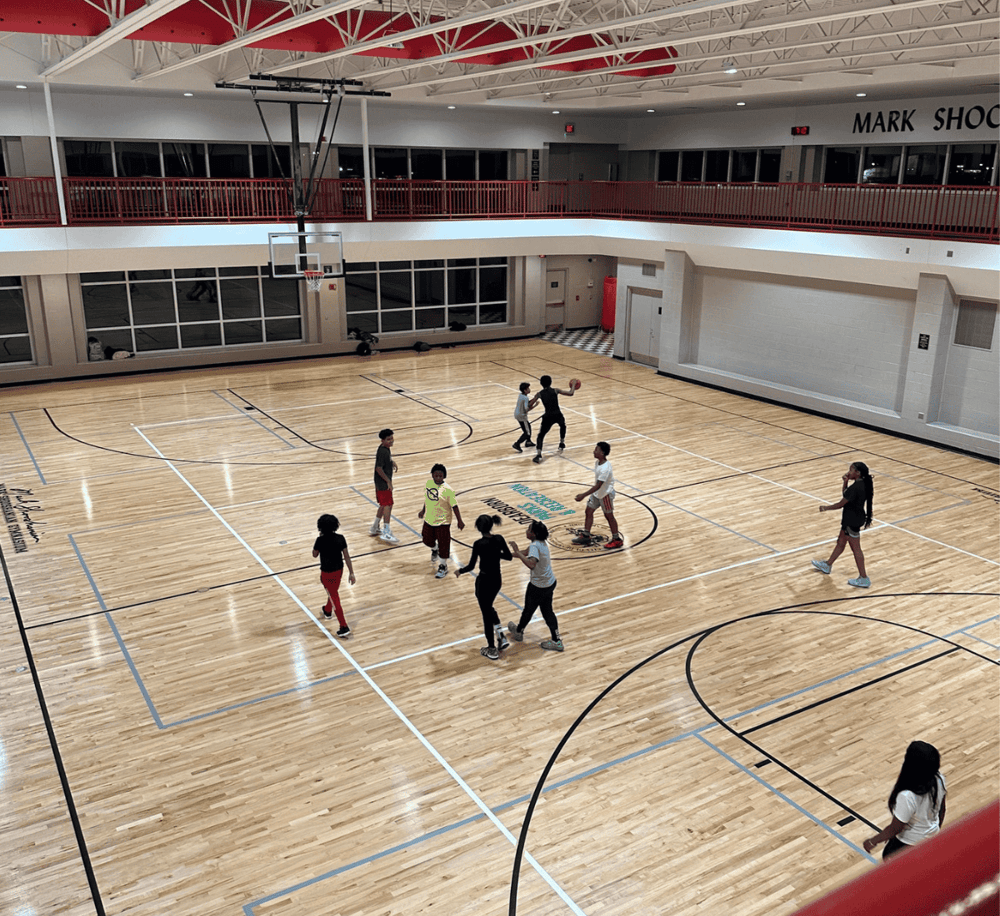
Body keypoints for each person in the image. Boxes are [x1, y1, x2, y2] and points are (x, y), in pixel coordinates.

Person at [863, 741, 946, 859]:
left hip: (907, 844)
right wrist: (933, 832)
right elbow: (942, 810)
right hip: (931, 837)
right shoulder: (939, 779)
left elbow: (895, 828)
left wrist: (873, 841)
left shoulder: (907, 796)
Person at [455, 514, 513, 660]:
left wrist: (459, 571)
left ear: (478, 528)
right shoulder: (499, 539)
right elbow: (508, 556)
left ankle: (492, 648)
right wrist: (495, 553)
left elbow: (471, 566)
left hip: (484, 582)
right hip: (497, 580)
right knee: (489, 608)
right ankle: (501, 635)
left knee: (486, 614)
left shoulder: (478, 544)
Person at [811, 460, 874, 587]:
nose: (848, 472)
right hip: (852, 518)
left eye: (851, 470)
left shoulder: (856, 487)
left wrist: (826, 508)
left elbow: (841, 504)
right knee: (840, 542)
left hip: (852, 520)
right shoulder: (863, 484)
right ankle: (828, 565)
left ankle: (864, 578)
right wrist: (845, 482)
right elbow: (846, 495)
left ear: (858, 472)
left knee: (856, 549)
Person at [507, 520, 563, 651]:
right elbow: (525, 553)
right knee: (547, 611)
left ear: (534, 534)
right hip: (549, 582)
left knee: (529, 610)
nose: (526, 530)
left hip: (539, 585)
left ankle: (519, 632)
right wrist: (504, 555)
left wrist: (516, 551)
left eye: (529, 529)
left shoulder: (534, 546)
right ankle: (557, 641)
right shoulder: (540, 543)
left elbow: (531, 564)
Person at [572, 440, 623, 549]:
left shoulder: (605, 468)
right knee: (588, 511)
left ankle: (617, 539)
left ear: (602, 453)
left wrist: (583, 495)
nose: (594, 451)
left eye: (596, 450)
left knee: (609, 516)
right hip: (597, 494)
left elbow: (599, 485)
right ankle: (586, 535)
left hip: (605, 495)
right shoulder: (598, 463)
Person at [312, 513, 356, 639]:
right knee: (333, 591)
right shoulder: (341, 538)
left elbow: (314, 554)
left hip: (326, 573)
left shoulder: (320, 540)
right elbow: (346, 556)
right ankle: (327, 610)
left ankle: (343, 626)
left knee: (334, 595)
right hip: (339, 571)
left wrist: (319, 541)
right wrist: (351, 573)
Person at [418, 463, 465, 578]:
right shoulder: (428, 484)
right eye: (436, 475)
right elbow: (427, 499)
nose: (438, 478)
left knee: (444, 544)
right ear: (432, 475)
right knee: (426, 540)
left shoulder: (448, 490)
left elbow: (454, 506)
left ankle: (443, 566)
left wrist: (460, 520)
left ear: (444, 476)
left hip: (443, 522)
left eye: (440, 476)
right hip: (429, 519)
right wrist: (423, 511)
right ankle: (435, 548)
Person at [530, 375, 576, 463]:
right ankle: (562, 442)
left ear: (541, 383)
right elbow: (571, 393)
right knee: (563, 426)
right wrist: (573, 384)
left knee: (541, 436)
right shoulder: (556, 390)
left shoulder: (539, 394)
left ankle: (539, 455)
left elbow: (530, 404)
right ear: (551, 382)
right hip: (557, 414)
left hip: (548, 416)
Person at [370, 428, 399, 543]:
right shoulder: (383, 451)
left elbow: (382, 463)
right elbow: (378, 468)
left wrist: (391, 462)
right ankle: (386, 532)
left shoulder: (384, 449)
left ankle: (375, 527)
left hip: (379, 483)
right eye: (388, 439)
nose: (391, 441)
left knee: (383, 505)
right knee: (388, 505)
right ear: (382, 440)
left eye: (392, 438)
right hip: (383, 484)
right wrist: (388, 481)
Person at [512, 381, 536, 452]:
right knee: (527, 432)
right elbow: (526, 409)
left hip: (517, 414)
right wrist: (534, 406)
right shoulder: (525, 398)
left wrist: (534, 399)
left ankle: (528, 442)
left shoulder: (521, 395)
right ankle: (517, 444)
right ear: (525, 390)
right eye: (528, 388)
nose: (529, 389)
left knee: (528, 426)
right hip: (522, 416)